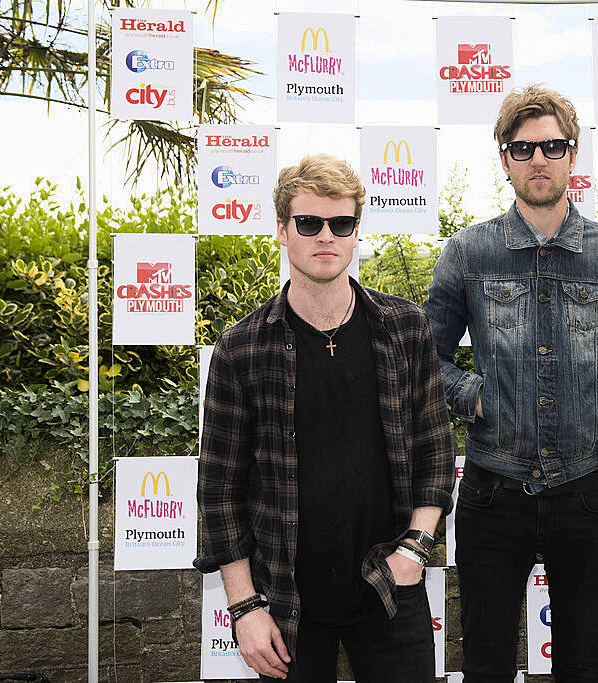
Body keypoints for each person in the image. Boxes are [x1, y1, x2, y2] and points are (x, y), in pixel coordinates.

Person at [195, 154, 455, 682]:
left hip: (390, 587)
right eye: (309, 223)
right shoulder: (241, 348)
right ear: (283, 231)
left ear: (357, 231)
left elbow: (436, 451)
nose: (325, 236)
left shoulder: (406, 328)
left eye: (341, 224)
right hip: (285, 601)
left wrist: (414, 550)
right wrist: (244, 608)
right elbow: (220, 491)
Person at [423, 84, 598, 682]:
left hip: (586, 488)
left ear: (574, 155)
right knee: (488, 664)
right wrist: (473, 395)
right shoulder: (468, 251)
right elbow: (427, 359)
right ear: (504, 160)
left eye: (553, 146)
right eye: (523, 149)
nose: (539, 159)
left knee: (581, 665)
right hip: (494, 491)